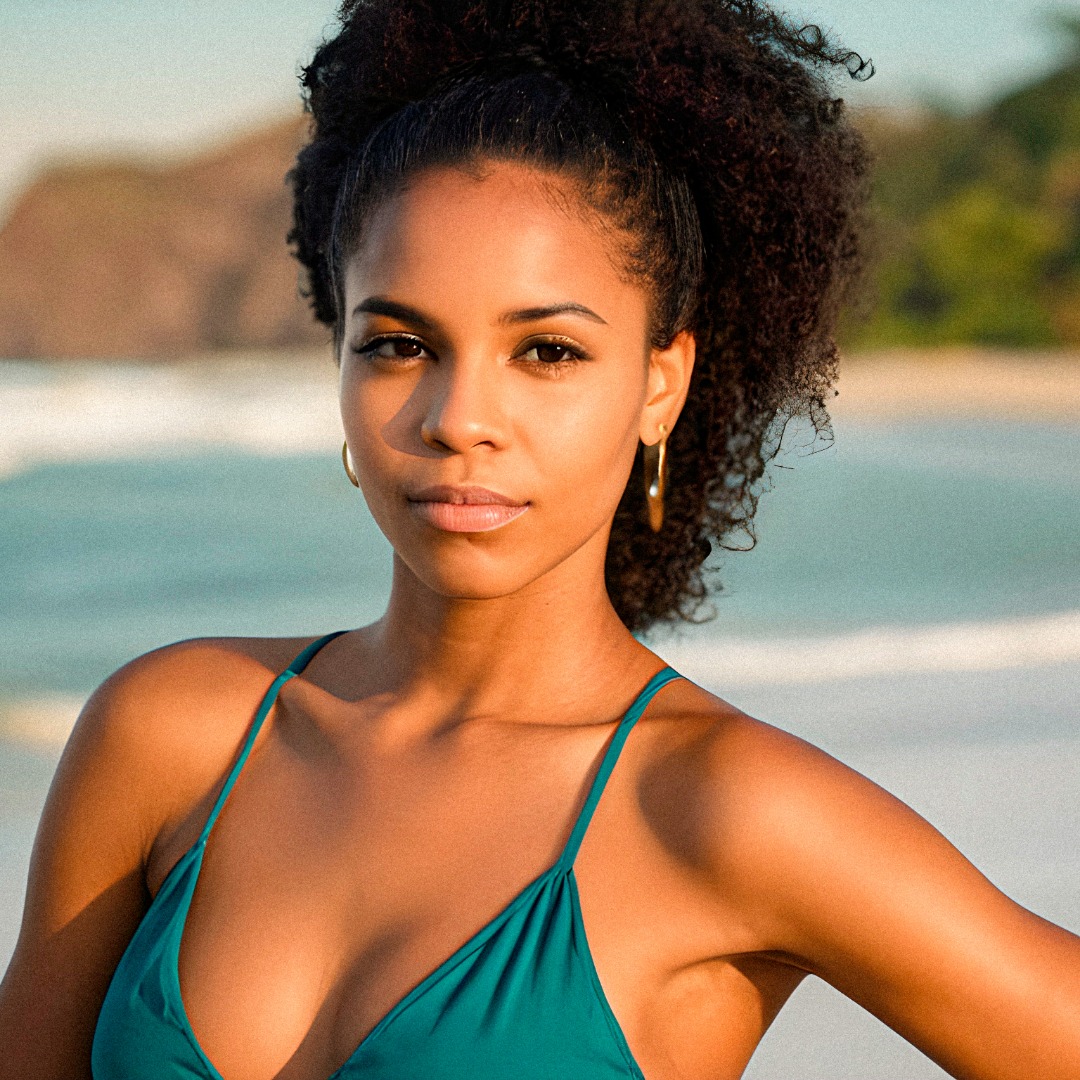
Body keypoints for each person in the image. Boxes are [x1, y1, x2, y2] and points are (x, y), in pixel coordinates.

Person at [2, 0, 1079, 1076]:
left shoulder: (725, 813)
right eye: (400, 343)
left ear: (662, 383)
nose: (458, 417)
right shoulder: (165, 737)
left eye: (549, 352)